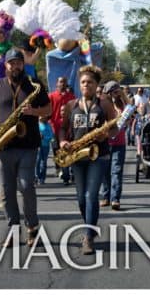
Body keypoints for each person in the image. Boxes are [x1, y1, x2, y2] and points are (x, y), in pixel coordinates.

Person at [0, 48, 51, 248]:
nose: (15, 66)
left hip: (29, 145)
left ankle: (32, 226)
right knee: (6, 191)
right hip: (4, 147)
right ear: (6, 66)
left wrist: (34, 112)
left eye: (18, 62)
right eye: (11, 63)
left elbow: (48, 109)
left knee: (26, 186)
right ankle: (13, 230)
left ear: (23, 64)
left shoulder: (34, 85)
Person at [59, 65, 117, 254]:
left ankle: (88, 236)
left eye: (90, 82)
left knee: (90, 196)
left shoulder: (105, 104)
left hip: (98, 155)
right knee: (81, 199)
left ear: (96, 84)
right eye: (83, 82)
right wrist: (63, 141)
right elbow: (62, 128)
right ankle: (90, 226)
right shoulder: (71, 105)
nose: (86, 85)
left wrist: (106, 134)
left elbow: (115, 129)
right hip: (77, 155)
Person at [99, 81, 130, 210]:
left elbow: (129, 114)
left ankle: (115, 199)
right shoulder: (103, 105)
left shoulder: (123, 105)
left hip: (119, 142)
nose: (115, 94)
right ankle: (106, 196)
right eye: (112, 91)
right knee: (105, 171)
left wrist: (122, 95)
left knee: (116, 170)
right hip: (105, 142)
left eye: (116, 91)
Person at [48, 77, 76, 183]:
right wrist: (49, 125)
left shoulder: (71, 97)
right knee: (56, 150)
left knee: (69, 150)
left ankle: (69, 173)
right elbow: (48, 112)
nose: (63, 84)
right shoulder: (51, 96)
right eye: (60, 82)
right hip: (55, 128)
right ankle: (59, 167)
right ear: (56, 84)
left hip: (68, 128)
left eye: (64, 82)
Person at [35, 115, 54, 185]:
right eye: (39, 115)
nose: (41, 117)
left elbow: (51, 135)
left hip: (45, 146)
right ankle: (37, 176)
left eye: (42, 115)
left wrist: (44, 137)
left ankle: (42, 177)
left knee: (44, 162)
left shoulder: (48, 125)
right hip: (38, 146)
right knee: (37, 161)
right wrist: (37, 136)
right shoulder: (36, 124)